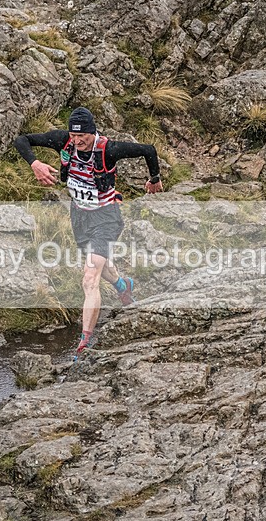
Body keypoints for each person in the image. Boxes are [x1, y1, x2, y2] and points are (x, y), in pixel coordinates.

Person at [14, 106, 163, 357]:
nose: (77, 140)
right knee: (102, 268)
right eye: (74, 135)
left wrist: (155, 178)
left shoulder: (108, 149)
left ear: (93, 132)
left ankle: (84, 343)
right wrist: (35, 164)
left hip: (106, 217)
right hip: (80, 216)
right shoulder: (64, 141)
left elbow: (148, 150)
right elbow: (22, 140)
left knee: (89, 277)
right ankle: (122, 285)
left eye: (82, 135)